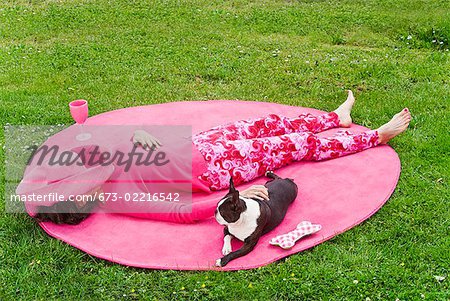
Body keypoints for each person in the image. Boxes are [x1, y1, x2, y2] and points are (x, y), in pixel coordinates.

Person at [26, 91, 411, 224]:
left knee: (266, 123)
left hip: (198, 142)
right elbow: (180, 211)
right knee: (295, 145)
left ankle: (334, 118)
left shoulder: (97, 162)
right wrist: (235, 200)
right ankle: (374, 137)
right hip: (217, 166)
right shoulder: (119, 198)